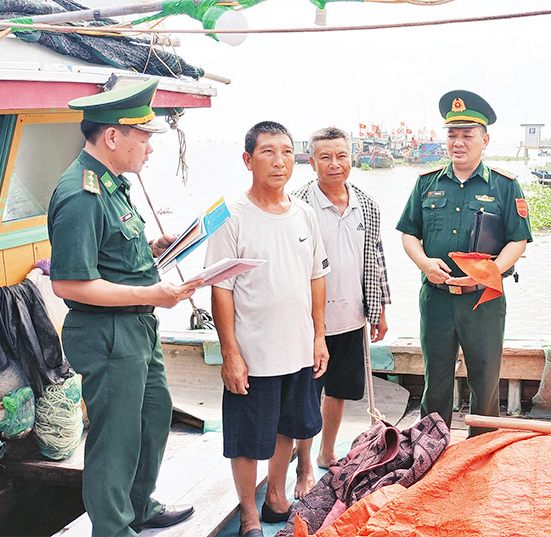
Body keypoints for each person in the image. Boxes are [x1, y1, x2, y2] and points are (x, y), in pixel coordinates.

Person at [48, 78, 199, 537]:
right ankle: (112, 529)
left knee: (154, 417)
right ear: (113, 136)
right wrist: (153, 294)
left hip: (136, 329)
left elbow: (110, 253)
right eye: (144, 136)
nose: (149, 148)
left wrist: (156, 246)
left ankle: (138, 505)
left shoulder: (112, 185)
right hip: (107, 332)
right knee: (115, 438)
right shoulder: (81, 193)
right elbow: (70, 284)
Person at [204, 121, 329, 537]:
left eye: (288, 152)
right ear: (247, 159)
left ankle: (276, 499)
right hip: (253, 353)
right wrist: (231, 354)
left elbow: (316, 278)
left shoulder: (305, 215)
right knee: (246, 440)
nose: (280, 162)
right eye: (268, 152)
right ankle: (249, 515)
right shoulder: (231, 218)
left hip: (297, 349)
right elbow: (220, 290)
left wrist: (318, 335)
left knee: (286, 429)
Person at [396, 90, 532, 436]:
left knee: (485, 379)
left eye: (467, 135)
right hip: (438, 299)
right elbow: (409, 234)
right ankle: (430, 448)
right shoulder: (426, 184)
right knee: (436, 378)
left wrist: (491, 271)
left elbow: (518, 240)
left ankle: (481, 450)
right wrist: (425, 262)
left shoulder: (504, 185)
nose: (458, 143)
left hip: (482, 300)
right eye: (452, 135)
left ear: (484, 140)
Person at [291, 126, 391, 497]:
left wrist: (379, 309)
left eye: (342, 156)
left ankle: (326, 451)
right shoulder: (297, 205)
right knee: (306, 394)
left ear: (353, 157)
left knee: (340, 390)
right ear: (312, 161)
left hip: (353, 316)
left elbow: (376, 259)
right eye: (326, 157)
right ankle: (302, 467)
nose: (335, 164)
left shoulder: (367, 204)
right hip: (309, 320)